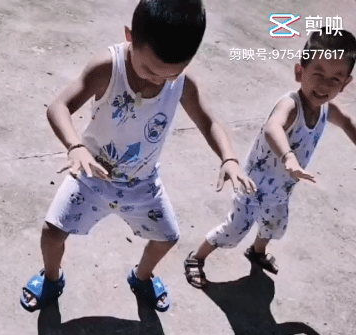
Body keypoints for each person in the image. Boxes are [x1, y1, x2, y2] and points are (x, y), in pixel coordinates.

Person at [21, 0, 254, 313]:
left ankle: (141, 277)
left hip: (142, 184)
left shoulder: (183, 83)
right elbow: (58, 106)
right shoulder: (109, 67)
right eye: (149, 70)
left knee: (167, 238)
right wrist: (75, 146)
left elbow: (208, 121)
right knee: (52, 233)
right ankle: (52, 278)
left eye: (170, 75)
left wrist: (229, 158)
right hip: (91, 174)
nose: (157, 80)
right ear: (130, 36)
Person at [184, 28, 356, 285]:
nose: (324, 85)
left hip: (281, 189)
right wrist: (288, 157)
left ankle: (257, 252)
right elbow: (273, 128)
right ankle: (196, 258)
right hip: (252, 185)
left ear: (345, 84)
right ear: (300, 72)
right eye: (318, 74)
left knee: (273, 225)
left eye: (335, 79)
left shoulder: (327, 109)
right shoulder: (291, 104)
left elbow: (349, 122)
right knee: (234, 229)